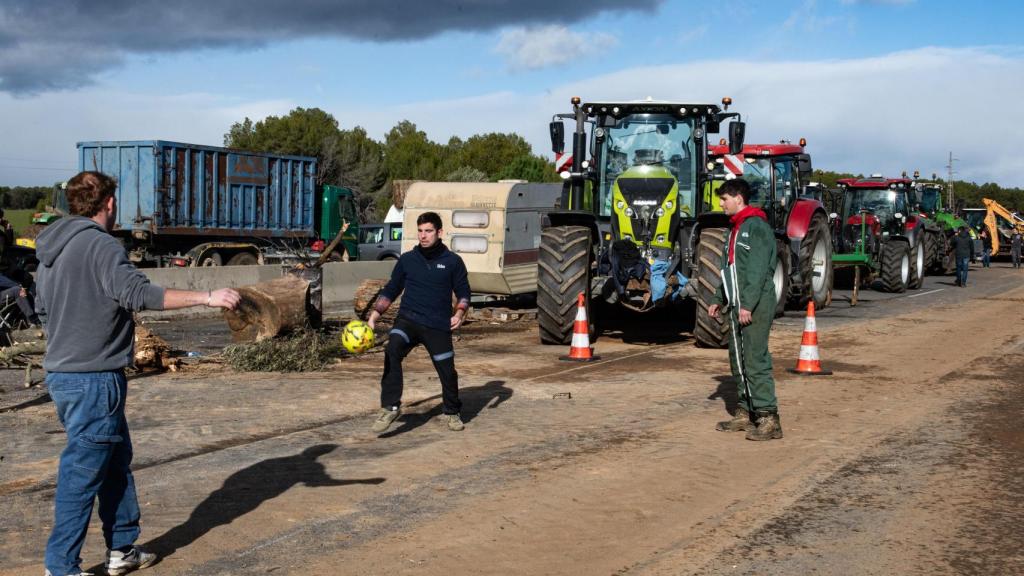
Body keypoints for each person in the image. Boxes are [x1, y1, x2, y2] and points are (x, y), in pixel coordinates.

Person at [36, 171, 242, 576]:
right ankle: (60, 567)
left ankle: (123, 548)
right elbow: (138, 293)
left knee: (114, 459)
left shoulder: (50, 250)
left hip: (63, 375)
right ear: (109, 204)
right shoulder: (99, 245)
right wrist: (207, 296)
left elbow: (43, 311)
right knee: (82, 473)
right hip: (94, 378)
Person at [367, 211, 471, 434]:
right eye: (420, 231)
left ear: (439, 232)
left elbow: (463, 293)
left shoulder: (453, 261)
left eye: (428, 231)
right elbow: (392, 289)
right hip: (408, 320)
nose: (423, 236)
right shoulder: (407, 260)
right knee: (392, 349)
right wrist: (375, 315)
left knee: (447, 371)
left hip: (437, 325)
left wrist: (459, 313)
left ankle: (452, 412)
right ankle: (390, 407)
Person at [707, 179, 782, 441]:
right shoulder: (734, 229)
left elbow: (758, 271)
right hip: (737, 303)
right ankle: (745, 412)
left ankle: (768, 418)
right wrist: (719, 297)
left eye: (724, 198)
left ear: (738, 198)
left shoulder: (757, 227)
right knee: (737, 359)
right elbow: (729, 269)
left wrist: (748, 305)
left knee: (754, 359)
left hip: (755, 303)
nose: (721, 203)